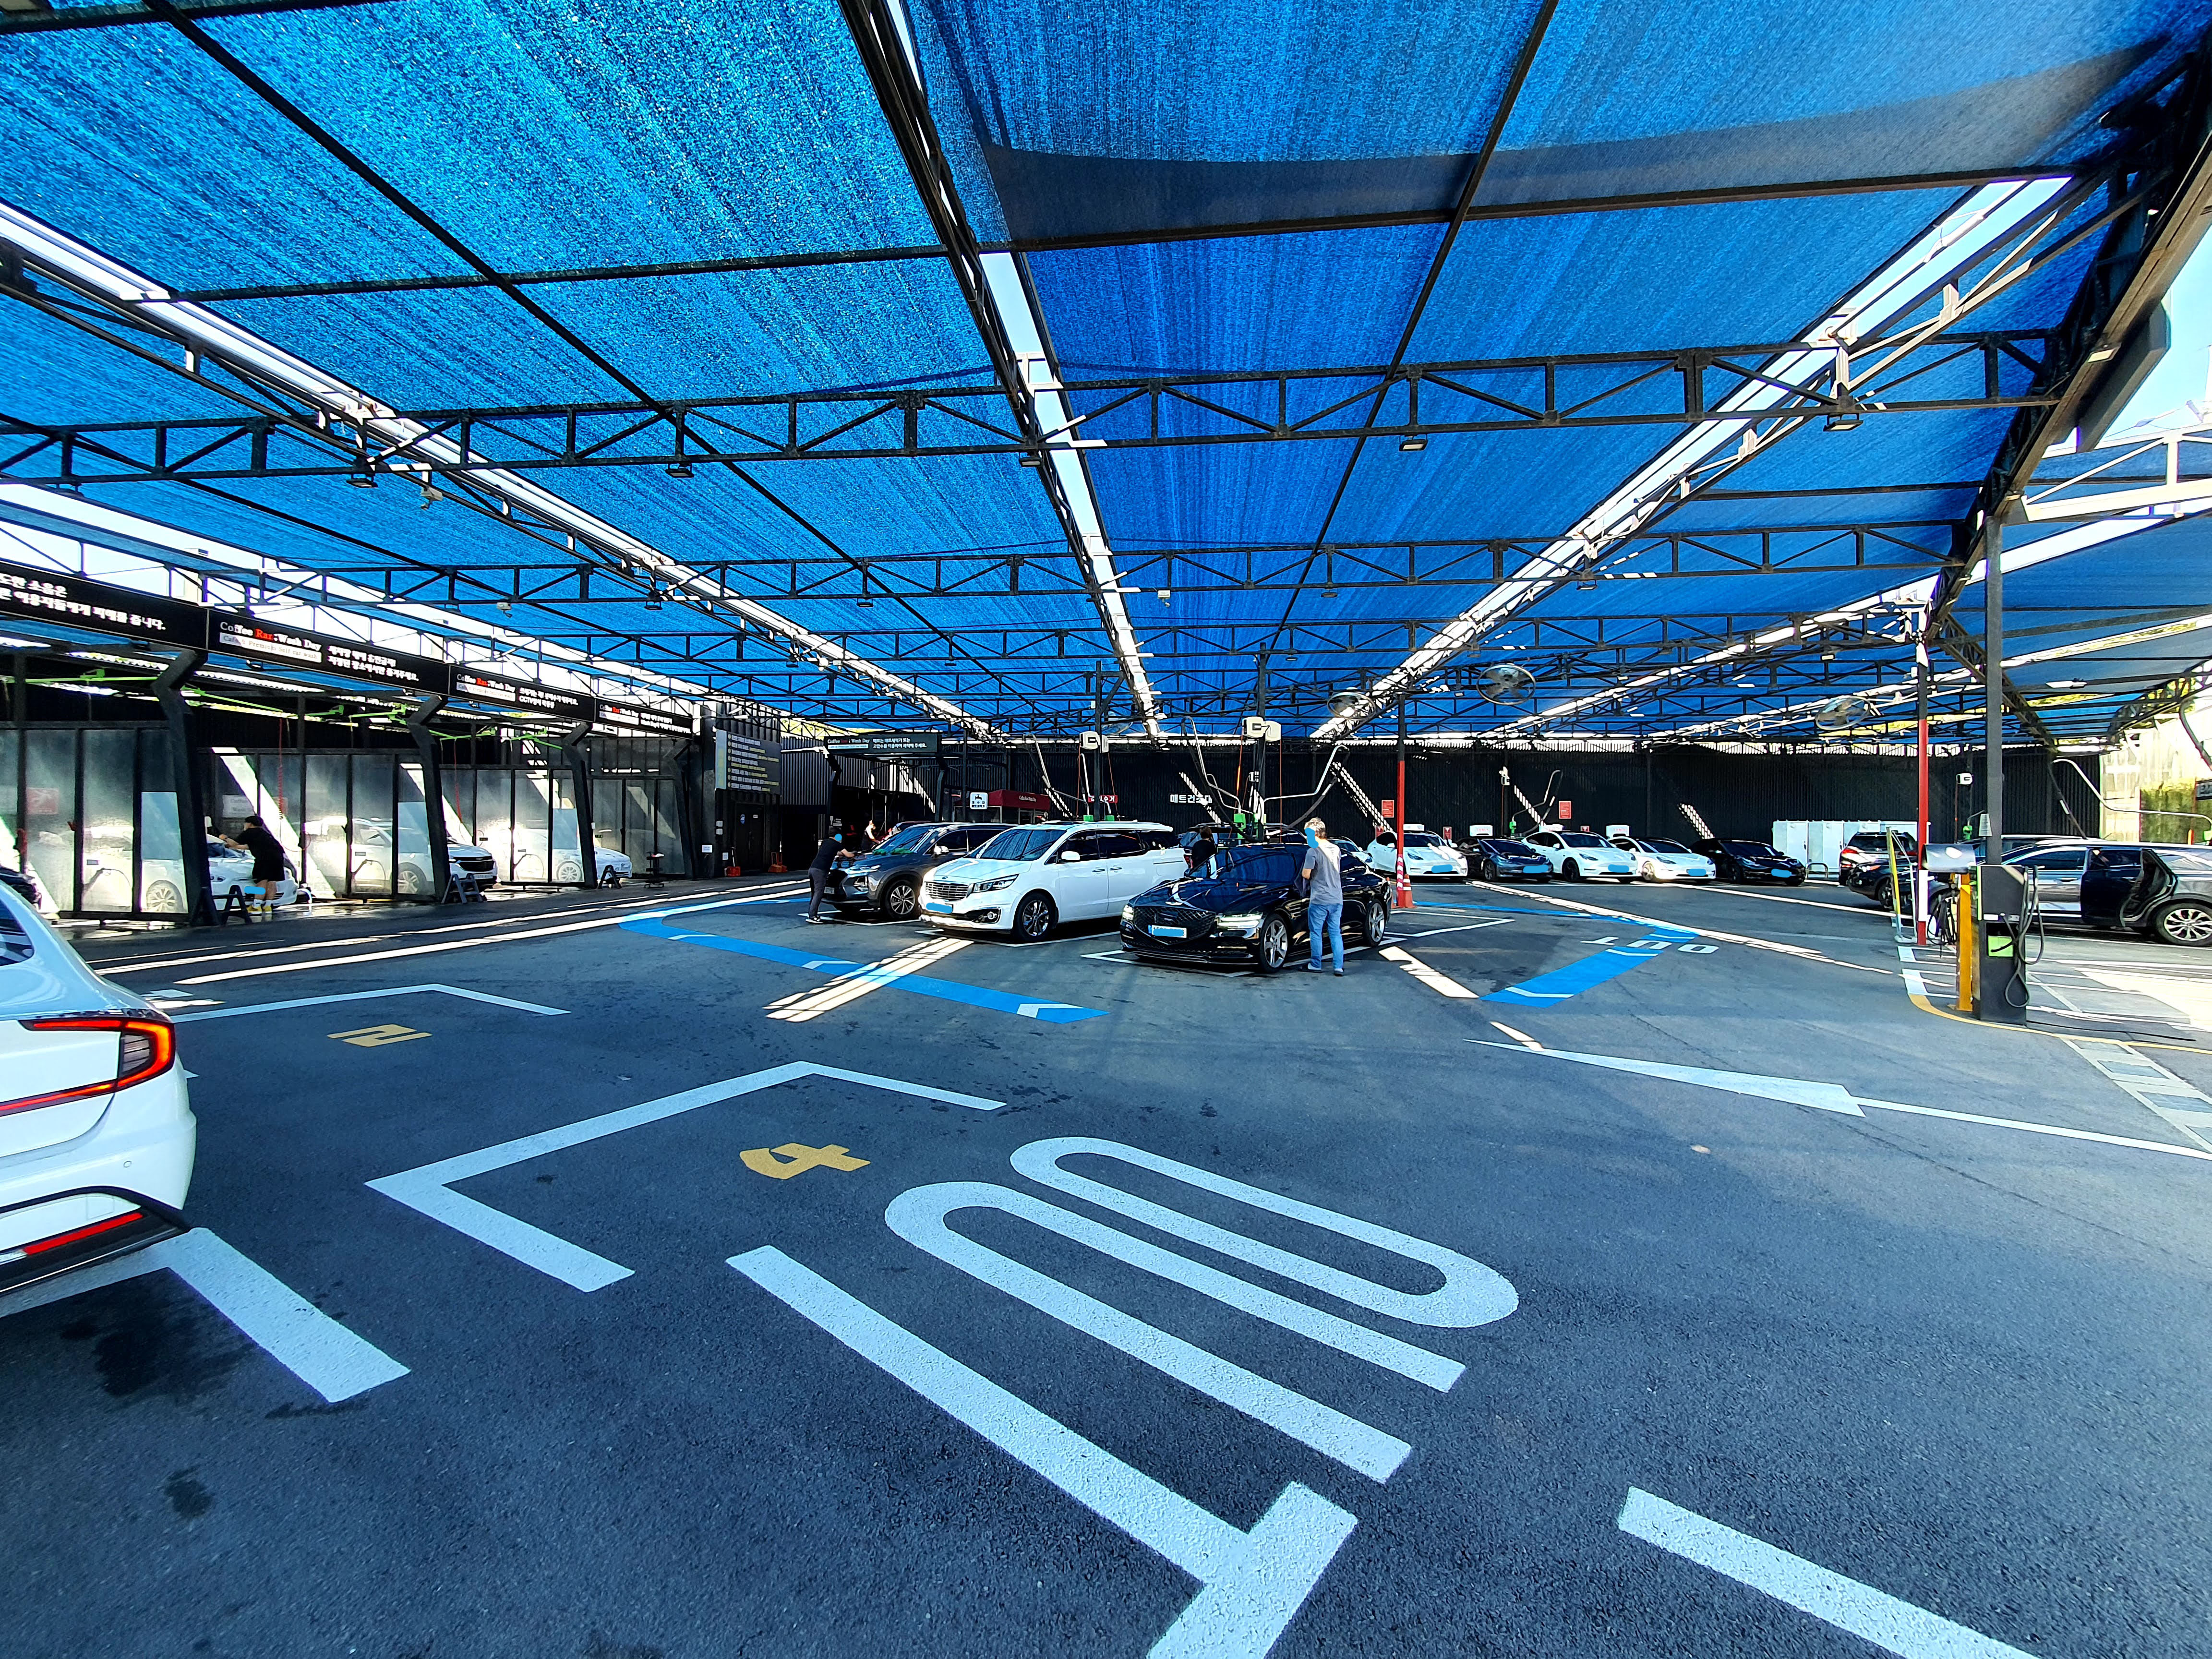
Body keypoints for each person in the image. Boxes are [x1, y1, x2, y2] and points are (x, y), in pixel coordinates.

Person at [1301, 817, 1345, 976]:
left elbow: (1306, 874)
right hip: (1337, 898)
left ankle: (1316, 964)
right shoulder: (1336, 849)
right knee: (1335, 933)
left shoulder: (1313, 851)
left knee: (1316, 932)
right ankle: (1338, 967)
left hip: (1319, 899)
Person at [222, 813, 288, 917]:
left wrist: (225, 838)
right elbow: (250, 846)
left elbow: (235, 842)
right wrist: (233, 847)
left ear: (250, 824)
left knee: (262, 881)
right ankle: (268, 906)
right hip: (278, 858)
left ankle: (256, 906)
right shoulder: (264, 833)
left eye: (246, 823)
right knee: (272, 882)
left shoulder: (250, 832)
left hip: (264, 859)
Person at [806, 826, 851, 923]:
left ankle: (811, 912)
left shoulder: (825, 842)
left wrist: (840, 854)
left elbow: (833, 852)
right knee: (819, 893)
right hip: (820, 871)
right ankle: (813, 916)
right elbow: (848, 855)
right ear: (838, 836)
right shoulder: (837, 844)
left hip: (812, 869)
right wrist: (854, 854)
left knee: (814, 893)